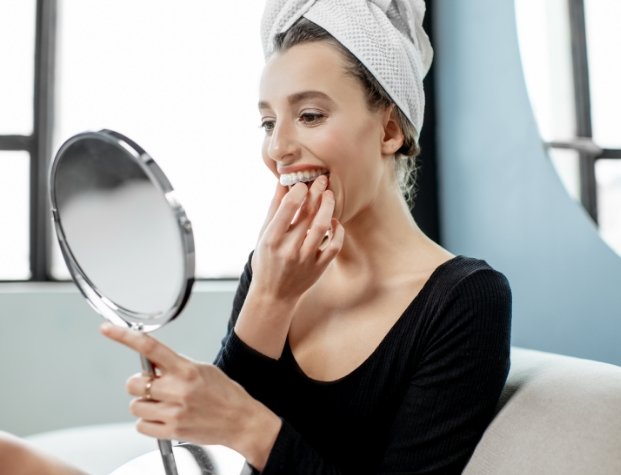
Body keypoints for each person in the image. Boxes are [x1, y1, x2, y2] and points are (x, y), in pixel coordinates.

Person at [3, 1, 511, 473]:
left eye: (309, 115)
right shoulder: (272, 269)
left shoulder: (466, 300)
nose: (278, 148)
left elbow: (234, 425)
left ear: (389, 130)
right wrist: (271, 294)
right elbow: (217, 452)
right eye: (268, 121)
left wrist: (248, 425)